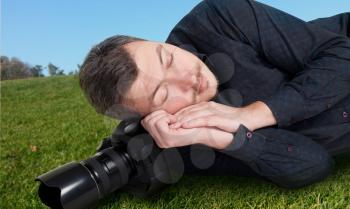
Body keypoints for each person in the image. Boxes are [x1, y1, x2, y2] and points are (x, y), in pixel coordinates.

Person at [79, 0, 350, 189]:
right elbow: (315, 163)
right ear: (152, 116)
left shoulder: (218, 17)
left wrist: (251, 115)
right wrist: (218, 138)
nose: (188, 78)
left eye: (168, 58)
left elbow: (342, 55)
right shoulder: (184, 136)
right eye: (163, 94)